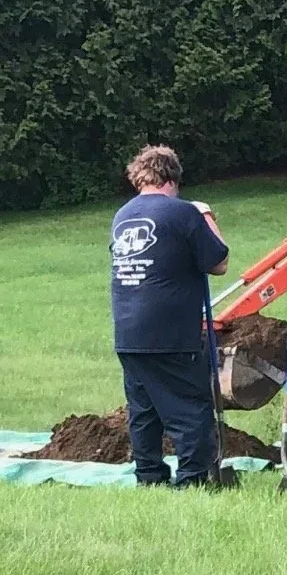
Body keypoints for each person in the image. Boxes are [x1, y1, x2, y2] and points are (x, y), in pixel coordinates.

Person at [110, 144, 229, 487]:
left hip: (128, 331)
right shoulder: (183, 213)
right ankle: (192, 480)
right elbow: (219, 262)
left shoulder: (122, 216)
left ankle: (149, 477)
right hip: (171, 332)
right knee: (190, 409)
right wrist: (206, 217)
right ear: (172, 178)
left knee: (143, 411)